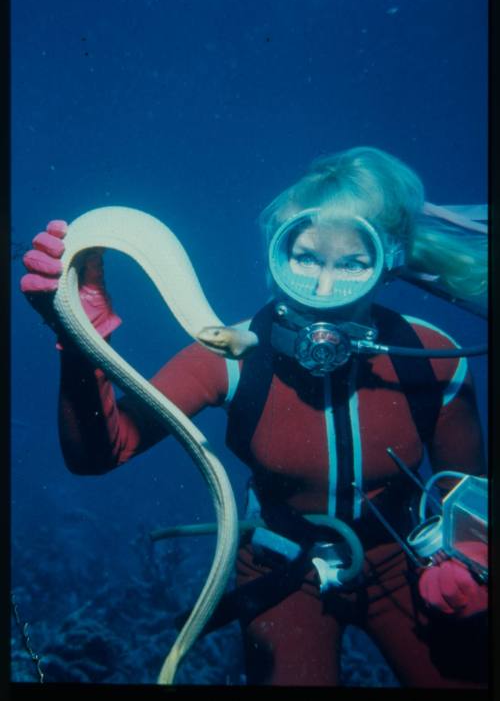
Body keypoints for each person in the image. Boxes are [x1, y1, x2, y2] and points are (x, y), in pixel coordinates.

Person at [21, 147, 488, 687]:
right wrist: (80, 340)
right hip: (279, 569)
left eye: (354, 263)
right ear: (276, 252)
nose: (323, 288)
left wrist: (472, 557)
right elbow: (102, 453)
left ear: (388, 263)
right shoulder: (230, 352)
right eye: (307, 257)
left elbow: (467, 489)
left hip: (406, 564)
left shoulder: (436, 358)